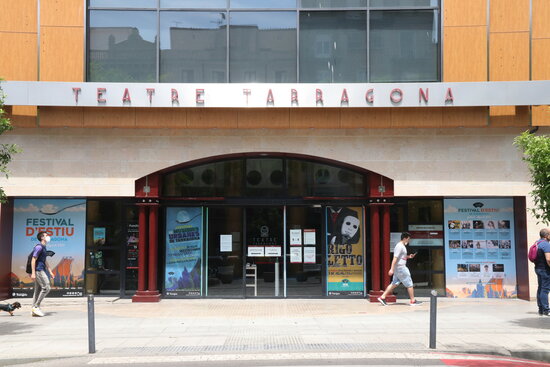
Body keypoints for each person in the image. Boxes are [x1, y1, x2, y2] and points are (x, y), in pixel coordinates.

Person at [378, 232, 422, 306]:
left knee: (394, 283)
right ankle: (413, 301)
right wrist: (391, 269)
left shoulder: (401, 246)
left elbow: (400, 257)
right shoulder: (400, 246)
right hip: (401, 268)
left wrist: (409, 256)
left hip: (398, 268)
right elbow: (395, 258)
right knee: (409, 284)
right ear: (404, 238)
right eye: (408, 239)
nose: (408, 241)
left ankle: (382, 297)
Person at [31, 231, 55, 317]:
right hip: (38, 270)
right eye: (46, 235)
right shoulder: (39, 247)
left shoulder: (44, 247)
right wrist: (33, 273)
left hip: (41, 270)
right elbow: (33, 260)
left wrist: (50, 271)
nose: (48, 236)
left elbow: (44, 260)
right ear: (42, 238)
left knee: (37, 291)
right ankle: (36, 307)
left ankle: (33, 309)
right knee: (46, 287)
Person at [534, 228, 550, 316]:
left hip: (538, 268)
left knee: (540, 288)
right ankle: (546, 309)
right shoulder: (546, 244)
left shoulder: (537, 243)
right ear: (546, 236)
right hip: (545, 270)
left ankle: (540, 309)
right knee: (545, 289)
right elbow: (548, 258)